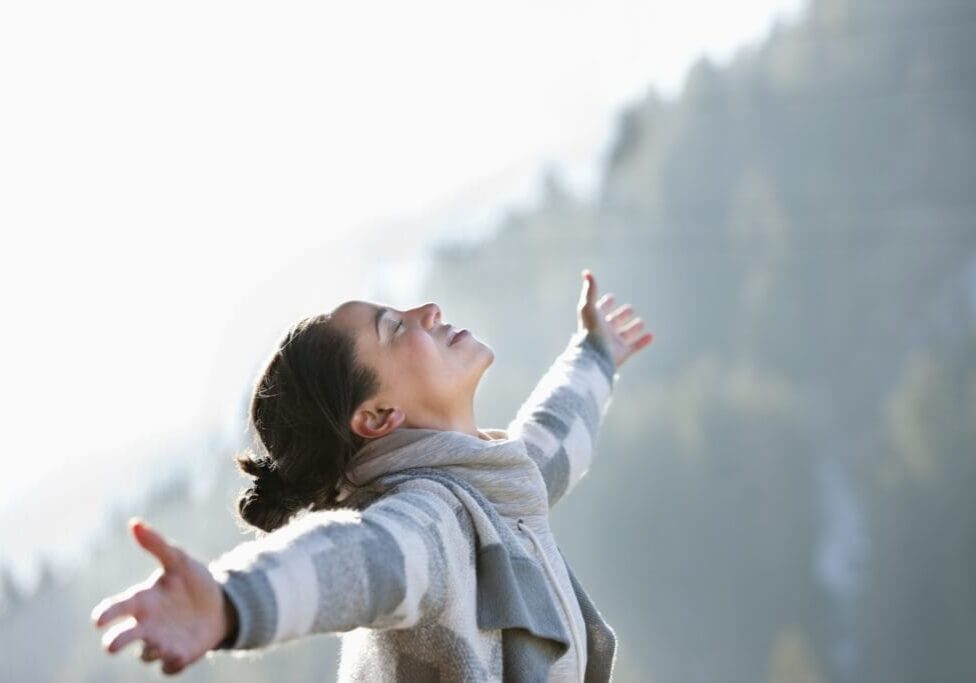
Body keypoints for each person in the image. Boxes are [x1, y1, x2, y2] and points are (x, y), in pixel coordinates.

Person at [90, 268, 654, 680]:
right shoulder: (430, 521)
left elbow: (549, 447)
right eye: (393, 328)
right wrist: (232, 601)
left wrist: (595, 356)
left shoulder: (489, 490)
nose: (428, 311)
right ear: (379, 416)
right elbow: (357, 558)